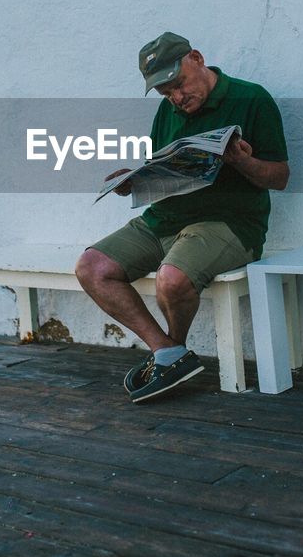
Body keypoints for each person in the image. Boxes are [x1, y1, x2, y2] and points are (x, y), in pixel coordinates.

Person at [75, 32, 289, 403]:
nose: (176, 97)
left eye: (178, 85)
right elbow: (163, 167)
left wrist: (242, 161)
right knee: (91, 266)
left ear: (197, 58)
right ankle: (168, 353)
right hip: (165, 219)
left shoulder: (251, 98)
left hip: (229, 222)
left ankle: (173, 352)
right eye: (164, 92)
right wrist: (135, 180)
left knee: (171, 279)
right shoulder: (168, 111)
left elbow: (280, 177)